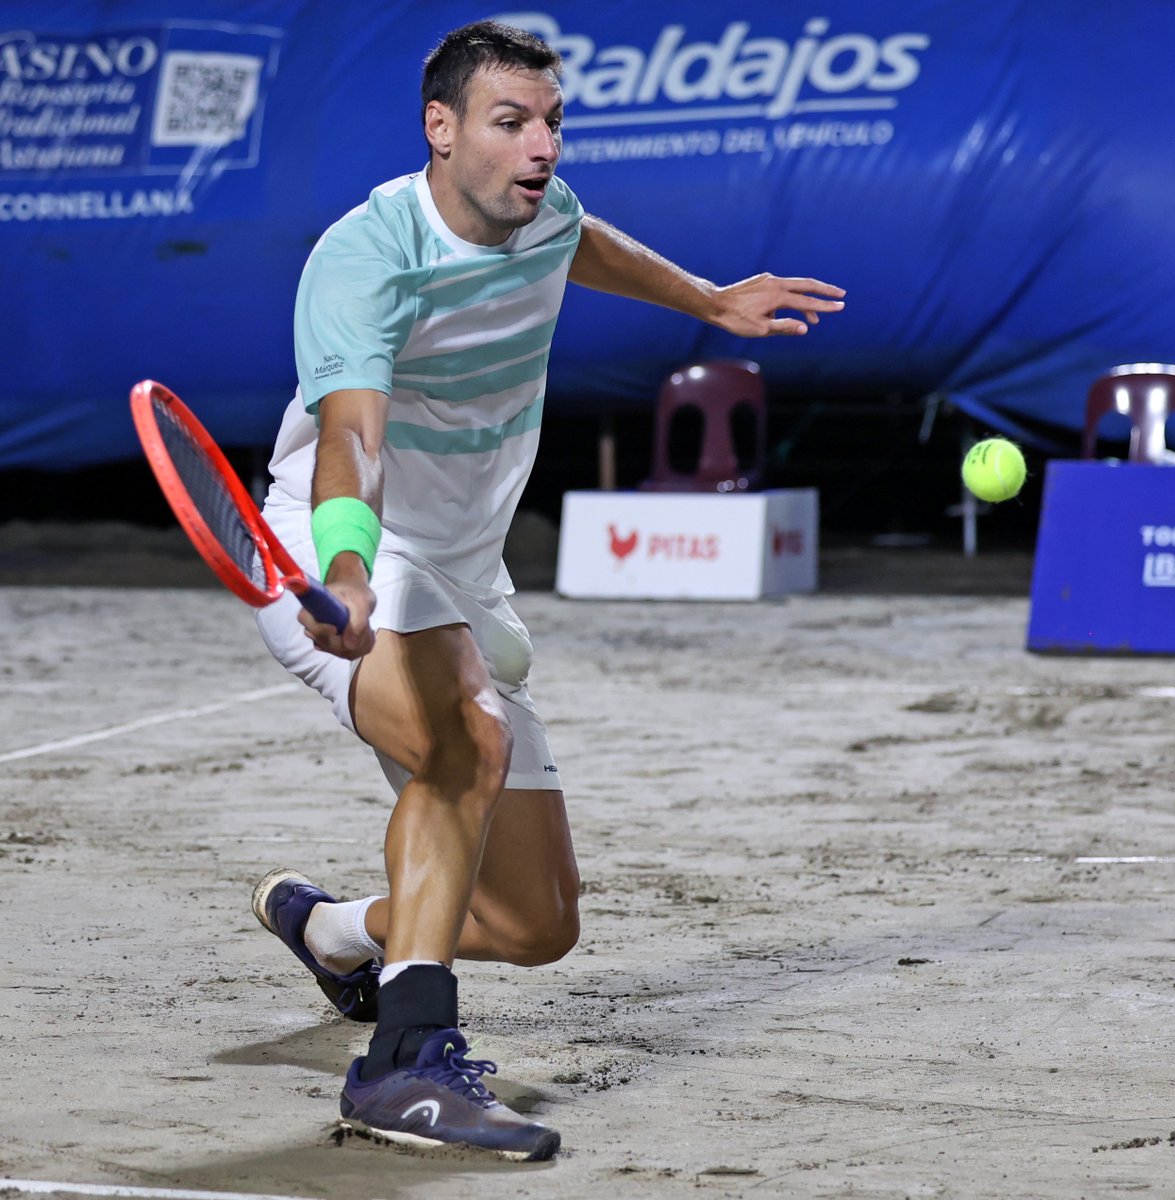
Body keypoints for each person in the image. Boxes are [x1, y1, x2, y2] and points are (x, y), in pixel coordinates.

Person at [251, 19, 846, 1162]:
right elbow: (353, 442)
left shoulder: (547, 214)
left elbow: (583, 244)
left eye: (553, 122)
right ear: (441, 128)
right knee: (464, 738)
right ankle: (404, 1066)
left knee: (533, 923)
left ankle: (336, 932)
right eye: (510, 122)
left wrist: (712, 301)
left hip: (468, 574)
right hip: (336, 558)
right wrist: (342, 569)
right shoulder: (366, 256)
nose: (541, 147)